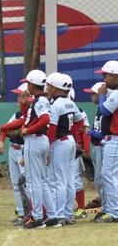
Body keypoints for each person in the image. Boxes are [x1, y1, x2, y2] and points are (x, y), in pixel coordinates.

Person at [0, 70, 60, 229]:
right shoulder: (40, 100)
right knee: (42, 181)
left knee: (34, 182)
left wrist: (28, 130)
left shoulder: (39, 101)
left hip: (35, 140)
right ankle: (52, 216)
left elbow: (45, 119)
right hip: (41, 140)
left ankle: (38, 217)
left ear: (32, 84)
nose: (27, 85)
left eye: (28, 83)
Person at [45, 73, 84, 226]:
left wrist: (47, 149)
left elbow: (52, 129)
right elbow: (80, 121)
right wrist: (71, 133)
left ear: (55, 88)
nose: (47, 88)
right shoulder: (69, 102)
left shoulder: (56, 105)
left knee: (57, 180)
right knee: (68, 179)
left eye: (48, 85)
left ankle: (59, 214)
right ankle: (68, 214)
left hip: (59, 142)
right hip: (69, 141)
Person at [0, 83, 31, 225]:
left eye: (20, 95)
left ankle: (31, 212)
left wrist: (7, 128)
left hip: (25, 149)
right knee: (16, 182)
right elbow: (4, 130)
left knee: (26, 183)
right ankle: (21, 212)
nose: (18, 98)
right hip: (13, 149)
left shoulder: (32, 113)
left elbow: (6, 127)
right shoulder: (17, 114)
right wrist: (0, 141)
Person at [93, 60, 118, 222]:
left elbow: (104, 110)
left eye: (106, 75)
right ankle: (109, 208)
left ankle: (114, 212)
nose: (104, 78)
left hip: (115, 139)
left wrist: (102, 94)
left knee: (109, 175)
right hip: (111, 139)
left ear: (115, 76)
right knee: (107, 175)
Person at [83, 82, 107, 213]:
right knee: (100, 180)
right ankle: (105, 205)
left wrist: (90, 132)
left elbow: (104, 133)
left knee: (102, 179)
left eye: (93, 94)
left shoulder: (105, 110)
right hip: (98, 147)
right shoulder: (99, 109)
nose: (91, 96)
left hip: (103, 146)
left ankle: (108, 207)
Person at [68, 88, 91, 220]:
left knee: (75, 178)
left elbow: (85, 130)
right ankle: (67, 208)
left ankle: (81, 209)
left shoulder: (79, 111)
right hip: (62, 147)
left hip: (75, 149)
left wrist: (86, 149)